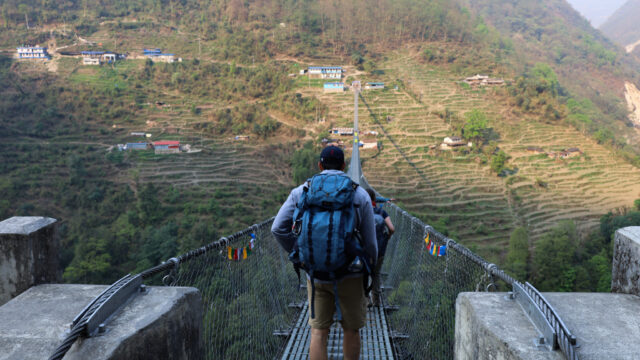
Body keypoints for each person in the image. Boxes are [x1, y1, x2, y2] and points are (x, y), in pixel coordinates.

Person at [272, 146, 377, 360]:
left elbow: (277, 228)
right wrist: (371, 269)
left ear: (319, 166)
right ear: (344, 166)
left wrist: (299, 253)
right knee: (351, 330)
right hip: (351, 274)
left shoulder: (302, 191)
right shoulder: (359, 194)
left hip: (316, 273)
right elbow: (370, 243)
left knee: (318, 332)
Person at [366, 188, 395, 307]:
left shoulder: (361, 211)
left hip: (364, 251)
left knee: (363, 273)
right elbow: (392, 229)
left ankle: (365, 298)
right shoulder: (381, 212)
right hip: (380, 249)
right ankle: (376, 300)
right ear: (374, 200)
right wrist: (387, 237)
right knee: (376, 274)